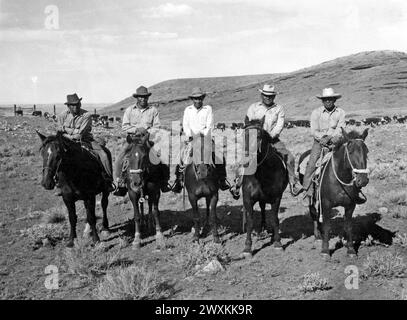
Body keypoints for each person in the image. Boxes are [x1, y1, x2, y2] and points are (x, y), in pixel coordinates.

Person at [229, 84, 304, 199]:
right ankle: (237, 184)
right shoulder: (253, 107)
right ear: (261, 95)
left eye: (271, 96)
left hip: (272, 140)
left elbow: (279, 125)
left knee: (289, 157)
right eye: (265, 95)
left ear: (274, 96)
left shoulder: (279, 109)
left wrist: (268, 137)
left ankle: (293, 184)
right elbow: (247, 125)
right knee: (244, 159)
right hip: (254, 140)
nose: (268, 98)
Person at [302, 88, 366, 205]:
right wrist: (323, 138)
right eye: (325, 99)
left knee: (349, 162)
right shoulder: (316, 113)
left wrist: (331, 138)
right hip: (319, 143)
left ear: (334, 100)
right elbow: (314, 130)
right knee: (311, 165)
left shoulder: (340, 112)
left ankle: (356, 191)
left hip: (336, 143)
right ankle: (307, 191)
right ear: (322, 100)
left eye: (330, 99)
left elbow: (341, 129)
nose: (328, 102)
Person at [113, 86, 171, 196]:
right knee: (120, 157)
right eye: (140, 97)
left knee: (163, 157)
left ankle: (164, 182)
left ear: (147, 98)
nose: (143, 99)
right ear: (137, 98)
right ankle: (119, 183)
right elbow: (125, 126)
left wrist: (146, 130)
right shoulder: (130, 110)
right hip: (132, 140)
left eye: (145, 97)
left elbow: (157, 126)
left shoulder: (153, 110)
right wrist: (136, 129)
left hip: (148, 139)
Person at [171, 87, 230, 193]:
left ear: (202, 98)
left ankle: (222, 179)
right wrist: (191, 135)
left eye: (199, 98)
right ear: (192, 99)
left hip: (205, 138)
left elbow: (210, 124)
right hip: (191, 139)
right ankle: (179, 181)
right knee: (181, 157)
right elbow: (186, 125)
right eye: (195, 99)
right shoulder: (188, 110)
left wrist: (202, 134)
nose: (197, 101)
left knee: (219, 156)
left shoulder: (208, 109)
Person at [55, 93, 114, 196]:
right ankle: (58, 183)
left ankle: (108, 180)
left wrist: (65, 130)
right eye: (72, 105)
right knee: (55, 157)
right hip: (66, 142)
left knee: (103, 154)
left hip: (86, 140)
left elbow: (80, 135)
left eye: (77, 104)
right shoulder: (62, 115)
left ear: (80, 104)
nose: (75, 106)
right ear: (68, 106)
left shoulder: (86, 115)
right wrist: (70, 133)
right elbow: (59, 131)